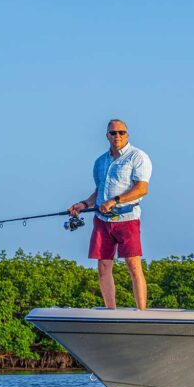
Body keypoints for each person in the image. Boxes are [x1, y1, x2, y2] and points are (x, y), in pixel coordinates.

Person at [69, 119, 152, 309]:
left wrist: (115, 201)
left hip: (127, 218)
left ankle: (142, 311)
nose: (117, 136)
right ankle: (110, 310)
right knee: (103, 266)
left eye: (121, 132)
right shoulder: (100, 162)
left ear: (128, 134)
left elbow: (141, 189)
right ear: (107, 135)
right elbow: (100, 190)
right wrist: (84, 204)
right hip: (102, 220)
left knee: (133, 265)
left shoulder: (138, 157)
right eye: (113, 133)